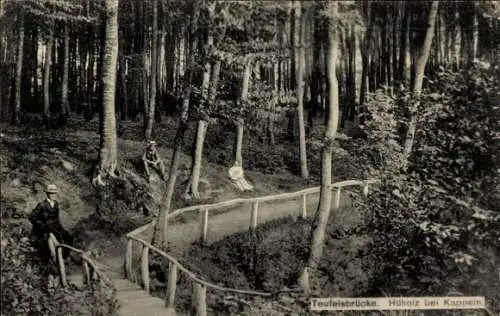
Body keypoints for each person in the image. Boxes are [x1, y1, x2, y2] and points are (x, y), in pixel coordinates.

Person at [29, 184, 74, 264]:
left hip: (56, 228)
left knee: (69, 237)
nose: (53, 195)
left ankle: (64, 258)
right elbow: (32, 217)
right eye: (51, 193)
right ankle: (54, 261)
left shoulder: (56, 204)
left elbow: (56, 219)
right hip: (45, 229)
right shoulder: (42, 205)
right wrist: (42, 226)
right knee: (49, 242)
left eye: (54, 193)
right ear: (47, 194)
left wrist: (60, 228)